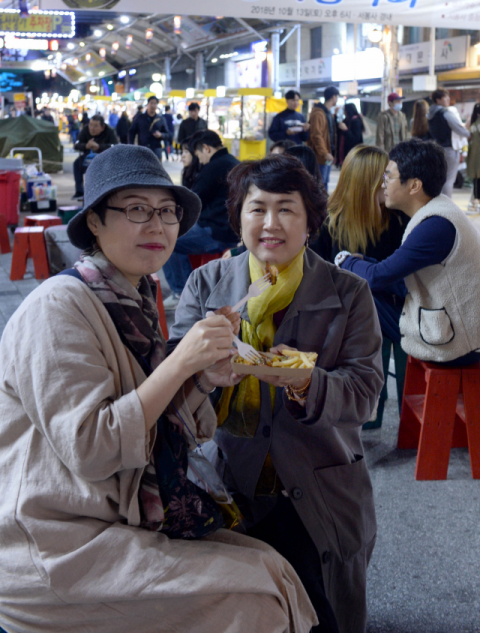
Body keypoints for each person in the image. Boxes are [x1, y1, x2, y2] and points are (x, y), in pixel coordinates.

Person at [0, 144, 316, 633]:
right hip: (57, 540)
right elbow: (94, 448)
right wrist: (183, 361)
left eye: (167, 211)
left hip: (125, 512)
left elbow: (157, 417)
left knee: (275, 569)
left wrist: (203, 380)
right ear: (95, 224)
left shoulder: (136, 297)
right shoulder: (57, 307)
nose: (157, 226)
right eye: (136, 210)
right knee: (259, 597)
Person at [168, 153, 383, 633]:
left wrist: (301, 378)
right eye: (257, 208)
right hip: (232, 486)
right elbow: (173, 394)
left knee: (325, 612)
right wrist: (202, 366)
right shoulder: (207, 285)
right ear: (239, 217)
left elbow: (365, 394)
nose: (270, 223)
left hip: (322, 487)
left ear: (309, 222)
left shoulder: (348, 294)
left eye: (286, 209)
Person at [339, 138, 480, 367]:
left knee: (362, 294)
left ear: (414, 185)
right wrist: (366, 261)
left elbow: (377, 277)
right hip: (452, 324)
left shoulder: (435, 226)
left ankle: (364, 388)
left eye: (388, 176)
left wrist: (343, 260)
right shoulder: (436, 211)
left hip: (455, 340)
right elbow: (396, 275)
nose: (383, 184)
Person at [313, 145, 409, 429]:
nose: (392, 183)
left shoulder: (399, 219)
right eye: (386, 177)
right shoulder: (329, 223)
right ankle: (368, 411)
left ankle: (404, 416)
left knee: (399, 338)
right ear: (368, 183)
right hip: (348, 317)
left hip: (395, 311)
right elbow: (316, 277)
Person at [162, 130, 240, 309]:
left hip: (218, 232)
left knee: (169, 240)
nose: (200, 160)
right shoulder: (234, 162)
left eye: (197, 155)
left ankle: (182, 292)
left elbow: (193, 200)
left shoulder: (214, 167)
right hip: (230, 230)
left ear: (206, 148)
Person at [427, 89, 470, 198]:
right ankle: (447, 206)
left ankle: (438, 204)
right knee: (449, 180)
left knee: (440, 179)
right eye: (446, 97)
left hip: (436, 150)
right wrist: (468, 132)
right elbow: (459, 128)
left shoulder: (429, 114)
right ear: (438, 100)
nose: (448, 99)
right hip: (449, 149)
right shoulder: (445, 113)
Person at [73, 114, 118, 199]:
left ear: (102, 127)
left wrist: (99, 147)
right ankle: (79, 192)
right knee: (76, 164)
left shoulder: (110, 131)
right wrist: (86, 145)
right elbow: (76, 144)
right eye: (91, 125)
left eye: (96, 126)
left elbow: (115, 146)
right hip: (88, 157)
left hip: (104, 158)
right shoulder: (85, 129)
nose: (92, 128)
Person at [307, 85, 340, 190]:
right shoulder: (318, 113)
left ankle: (323, 205)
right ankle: (320, 206)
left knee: (324, 182)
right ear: (333, 97)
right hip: (320, 156)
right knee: (320, 184)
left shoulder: (327, 113)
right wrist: (325, 153)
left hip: (326, 155)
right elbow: (316, 135)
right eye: (337, 97)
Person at [128, 96, 170, 161]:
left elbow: (167, 134)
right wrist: (131, 146)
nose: (153, 105)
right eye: (151, 103)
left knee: (156, 170)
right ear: (147, 104)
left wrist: (161, 135)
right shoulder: (140, 118)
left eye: (155, 103)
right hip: (142, 149)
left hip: (156, 150)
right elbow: (132, 132)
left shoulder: (161, 119)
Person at [466, 103, 480, 214]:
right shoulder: (474, 122)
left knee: (476, 179)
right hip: (476, 155)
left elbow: (467, 136)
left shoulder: (472, 122)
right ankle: (476, 201)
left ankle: (475, 201)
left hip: (474, 154)